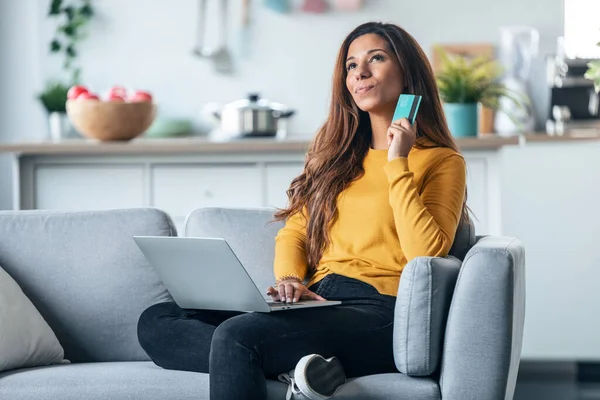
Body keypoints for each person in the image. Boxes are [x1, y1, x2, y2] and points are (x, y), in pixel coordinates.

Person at [137, 21, 468, 400]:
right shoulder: (336, 159)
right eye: (350, 65)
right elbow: (295, 230)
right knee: (158, 321)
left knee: (237, 337)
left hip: (380, 312)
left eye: (376, 59)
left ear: (407, 71)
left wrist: (398, 161)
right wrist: (292, 280)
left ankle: (265, 357)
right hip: (318, 302)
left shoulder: (441, 161)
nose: (360, 72)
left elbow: (425, 253)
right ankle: (299, 369)